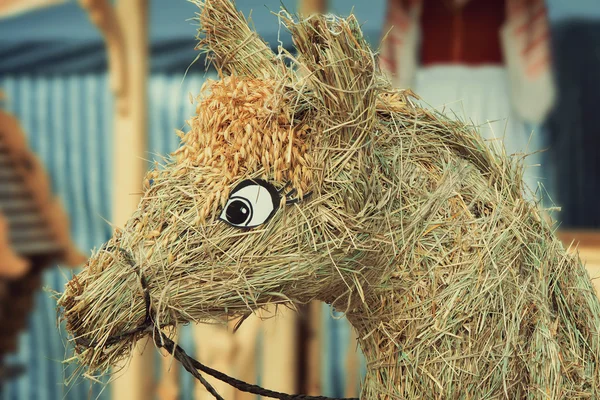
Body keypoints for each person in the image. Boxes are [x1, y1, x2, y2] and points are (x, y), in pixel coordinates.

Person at [380, 0, 555, 194]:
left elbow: (536, 98)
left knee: (501, 190)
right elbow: (393, 71)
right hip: (432, 105)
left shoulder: (520, 5)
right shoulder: (407, 4)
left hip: (494, 108)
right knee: (431, 189)